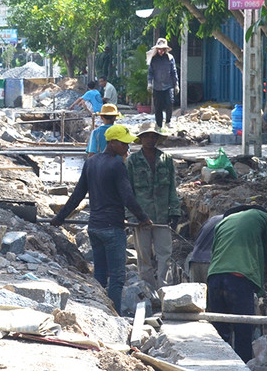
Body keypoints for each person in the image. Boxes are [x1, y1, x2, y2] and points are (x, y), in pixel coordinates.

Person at [50, 125, 152, 314]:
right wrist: (143, 218)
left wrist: (60, 217)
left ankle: (96, 311)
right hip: (112, 228)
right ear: (112, 143)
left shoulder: (91, 162)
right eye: (124, 144)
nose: (127, 149)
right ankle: (113, 315)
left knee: (99, 274)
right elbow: (127, 197)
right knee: (117, 277)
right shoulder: (117, 164)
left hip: (94, 228)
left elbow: (78, 194)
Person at [207, 205, 267, 362]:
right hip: (238, 279)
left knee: (220, 332)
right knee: (243, 331)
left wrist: (259, 288)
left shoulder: (223, 222)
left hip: (214, 277)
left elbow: (217, 253)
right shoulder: (262, 217)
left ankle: (218, 370)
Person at [126, 122, 182, 291]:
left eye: (153, 136)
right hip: (141, 217)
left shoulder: (166, 160)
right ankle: (148, 290)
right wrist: (130, 216)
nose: (150, 139)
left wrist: (175, 211)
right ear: (141, 138)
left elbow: (172, 187)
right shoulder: (133, 161)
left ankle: (164, 289)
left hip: (163, 217)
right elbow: (128, 191)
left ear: (157, 138)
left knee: (165, 254)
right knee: (144, 257)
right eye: (146, 136)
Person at [147, 38, 179, 129]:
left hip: (168, 86)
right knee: (158, 107)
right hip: (157, 87)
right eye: (159, 49)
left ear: (165, 49)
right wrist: (149, 83)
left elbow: (174, 72)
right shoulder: (153, 59)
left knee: (169, 103)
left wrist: (176, 84)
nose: (161, 51)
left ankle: (168, 121)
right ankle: (159, 125)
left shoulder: (170, 58)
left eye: (162, 49)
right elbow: (150, 72)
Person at [187, 213, 223, 283]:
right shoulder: (231, 223)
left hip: (194, 260)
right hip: (211, 264)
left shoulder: (213, 219)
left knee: (197, 293)